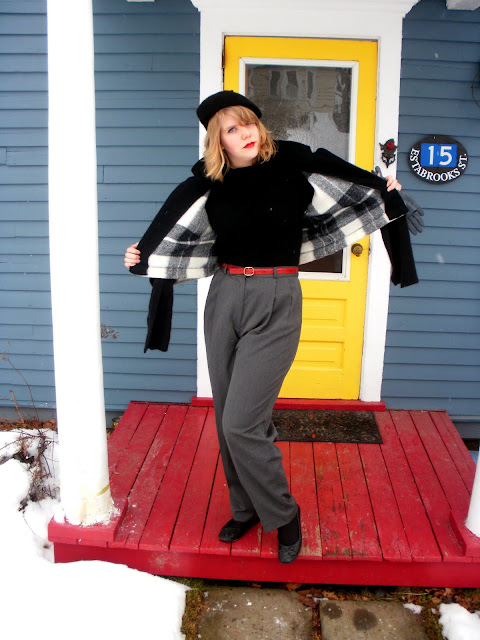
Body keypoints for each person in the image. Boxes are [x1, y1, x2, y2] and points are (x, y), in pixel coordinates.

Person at [124, 90, 414, 564]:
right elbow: (179, 239)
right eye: (232, 129)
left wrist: (384, 188)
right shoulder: (208, 186)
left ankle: (283, 514)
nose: (245, 134)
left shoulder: (293, 167)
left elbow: (350, 188)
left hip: (277, 298)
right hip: (224, 295)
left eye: (249, 123)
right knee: (227, 417)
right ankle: (246, 509)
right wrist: (142, 256)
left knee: (242, 422)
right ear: (218, 141)